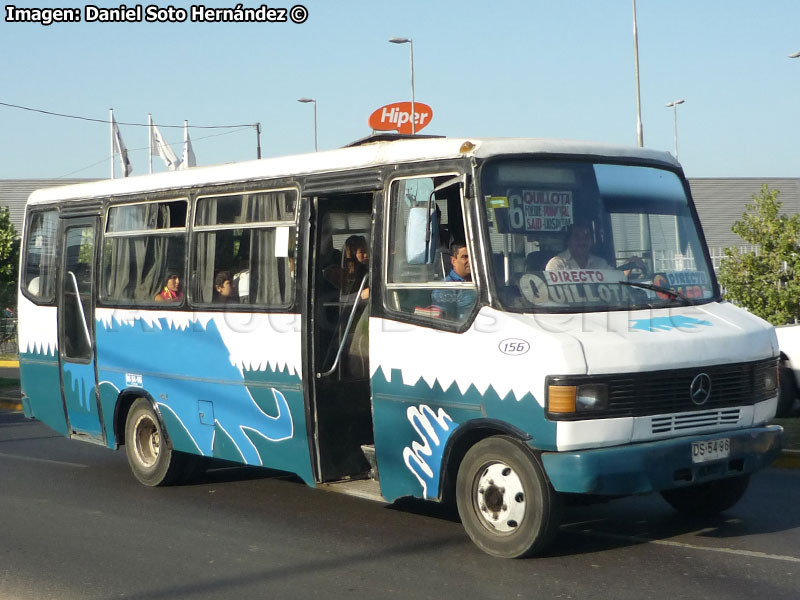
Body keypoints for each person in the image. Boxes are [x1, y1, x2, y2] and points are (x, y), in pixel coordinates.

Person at [432, 241, 476, 319]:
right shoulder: (445, 288)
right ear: (453, 261)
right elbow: (443, 320)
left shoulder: (482, 281)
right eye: (465, 257)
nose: (470, 261)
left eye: (472, 256)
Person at [545, 222, 612, 271]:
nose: (582, 241)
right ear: (568, 241)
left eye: (586, 237)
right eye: (577, 236)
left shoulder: (601, 264)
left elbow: (617, 279)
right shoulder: (557, 264)